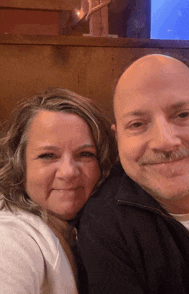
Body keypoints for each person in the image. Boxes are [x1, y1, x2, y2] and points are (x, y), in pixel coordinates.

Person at [78, 54, 189, 294]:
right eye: (137, 124)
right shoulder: (104, 224)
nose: (165, 142)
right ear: (118, 138)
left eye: (183, 114)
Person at [0, 87, 117, 294]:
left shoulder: (91, 229)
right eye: (48, 156)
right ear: (19, 165)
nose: (68, 172)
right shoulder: (10, 238)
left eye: (85, 154)